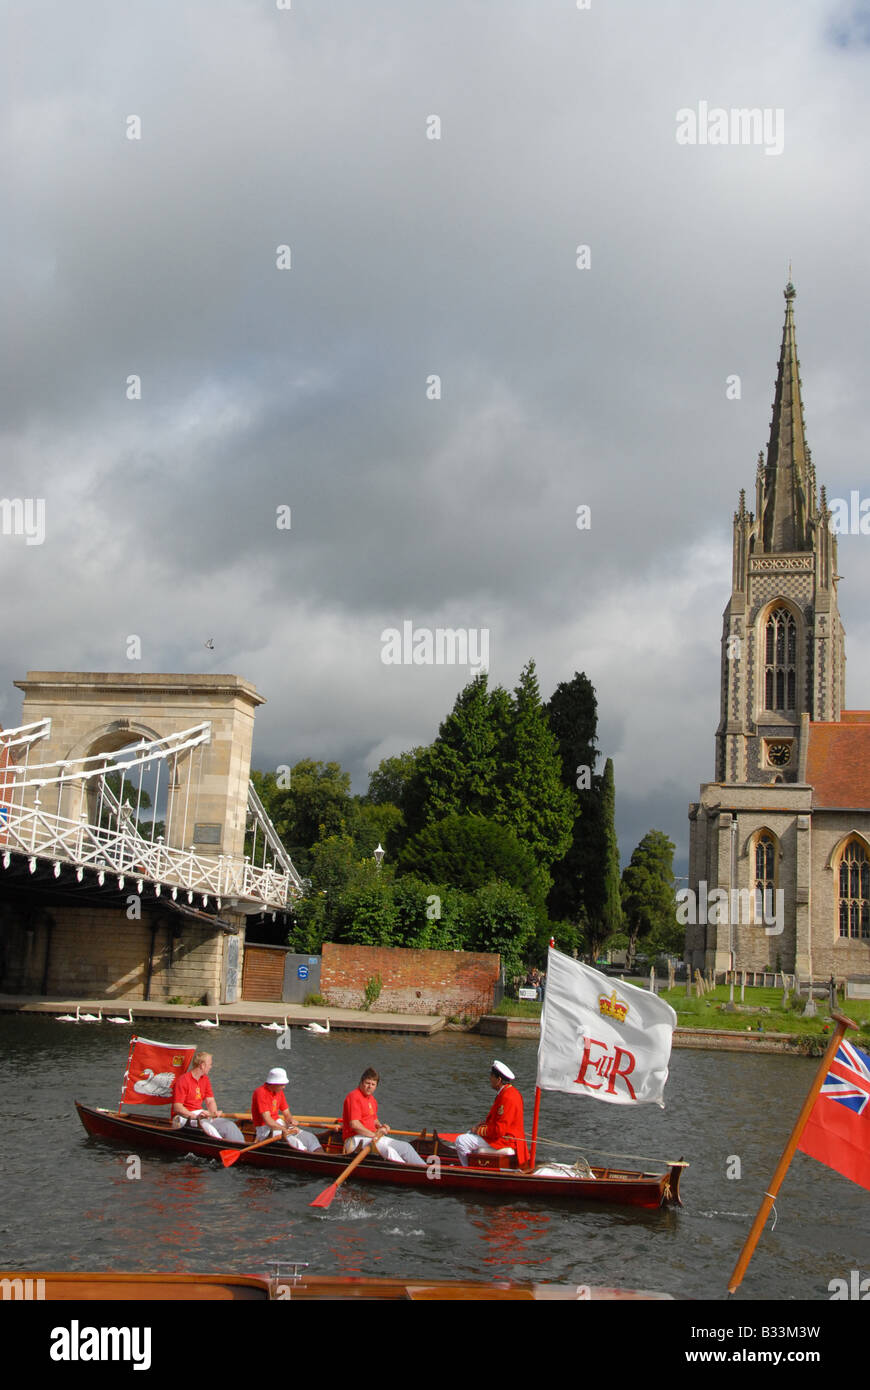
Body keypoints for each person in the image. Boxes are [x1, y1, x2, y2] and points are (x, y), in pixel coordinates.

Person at [342, 1067, 426, 1167]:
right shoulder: (354, 1096)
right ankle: (409, 1171)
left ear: (376, 1086)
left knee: (406, 1147)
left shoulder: (372, 1100)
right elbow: (354, 1124)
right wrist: (374, 1135)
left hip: (372, 1137)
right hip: (355, 1139)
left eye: (373, 1084)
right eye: (367, 1083)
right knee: (388, 1150)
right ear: (361, 1082)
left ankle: (425, 1169)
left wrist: (381, 1126)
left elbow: (374, 1120)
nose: (370, 1087)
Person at [452, 1060, 528, 1167]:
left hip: (504, 1140)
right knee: (469, 1134)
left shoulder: (507, 1097)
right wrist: (482, 1125)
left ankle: (468, 1169)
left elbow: (499, 1130)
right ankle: (475, 1163)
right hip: (505, 1137)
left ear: (499, 1079)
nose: (490, 1079)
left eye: (492, 1076)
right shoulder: (510, 1092)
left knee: (461, 1141)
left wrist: (478, 1130)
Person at [171, 1051, 245, 1143]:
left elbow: (210, 1101)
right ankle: (221, 1146)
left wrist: (213, 1114)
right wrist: (195, 1116)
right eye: (210, 1064)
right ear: (202, 1065)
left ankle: (242, 1147)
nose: (211, 1067)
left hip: (200, 1115)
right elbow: (177, 1107)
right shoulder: (183, 1080)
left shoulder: (205, 1079)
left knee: (229, 1125)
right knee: (209, 1128)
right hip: (183, 1117)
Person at [251, 1067, 324, 1152]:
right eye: (282, 1084)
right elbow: (268, 1121)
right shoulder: (260, 1092)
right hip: (264, 1129)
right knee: (296, 1143)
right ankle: (310, 1157)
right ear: (273, 1083)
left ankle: (323, 1156)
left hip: (279, 1125)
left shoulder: (279, 1091)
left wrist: (291, 1121)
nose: (284, 1087)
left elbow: (286, 1113)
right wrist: (285, 1129)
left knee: (310, 1137)